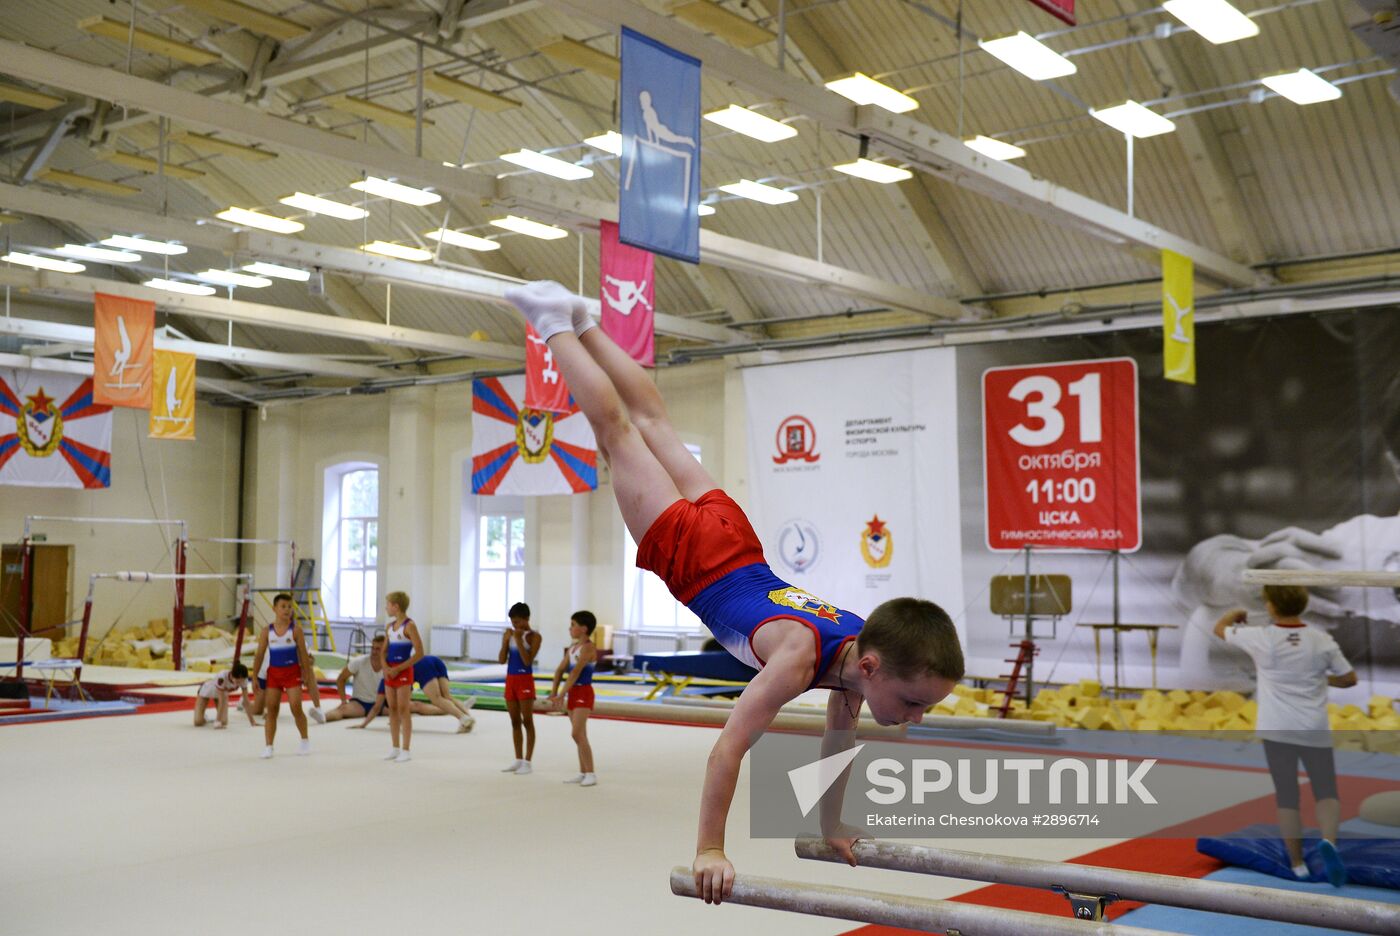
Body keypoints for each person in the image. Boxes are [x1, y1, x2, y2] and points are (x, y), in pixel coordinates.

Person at [505, 281, 963, 905]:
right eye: (913, 702)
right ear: (874, 667)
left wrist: (833, 826)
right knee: (616, 432)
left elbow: (838, 742)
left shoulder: (859, 649)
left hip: (737, 539)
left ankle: (586, 322)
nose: (914, 717)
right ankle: (554, 323)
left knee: (651, 423)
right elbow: (728, 748)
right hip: (698, 558)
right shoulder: (800, 659)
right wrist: (711, 848)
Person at [1214, 583, 1358, 886]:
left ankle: (1297, 864)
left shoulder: (1260, 638)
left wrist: (1235, 613)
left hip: (1277, 728)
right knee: (1326, 791)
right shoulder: (1321, 640)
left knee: (1287, 796)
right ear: (1303, 605)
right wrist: (1322, 678)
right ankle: (1329, 842)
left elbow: (1220, 629)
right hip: (1313, 726)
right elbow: (1349, 679)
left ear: (1271, 606)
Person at [252, 593, 314, 758]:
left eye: (289, 607)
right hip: (274, 674)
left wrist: (306, 674)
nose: (287, 610)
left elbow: (303, 654)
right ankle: (269, 746)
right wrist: (254, 677)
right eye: (283, 607)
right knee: (271, 709)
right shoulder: (267, 631)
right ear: (274, 609)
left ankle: (304, 740)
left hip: (292, 673)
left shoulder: (296, 631)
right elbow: (259, 655)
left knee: (296, 707)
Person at [352, 655, 476, 732]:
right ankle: (468, 717)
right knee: (446, 697)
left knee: (437, 699)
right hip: (432, 659)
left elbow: (377, 707)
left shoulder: (386, 682)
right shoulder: (393, 674)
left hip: (421, 667)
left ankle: (463, 718)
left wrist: (364, 724)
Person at [548, 610, 599, 787]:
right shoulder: (572, 649)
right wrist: (554, 692)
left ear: (584, 629)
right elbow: (559, 670)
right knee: (580, 735)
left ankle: (591, 773)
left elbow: (575, 673)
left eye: (573, 625)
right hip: (573, 693)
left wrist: (561, 694)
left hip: (584, 692)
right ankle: (583, 771)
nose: (570, 628)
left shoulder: (588, 648)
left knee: (577, 733)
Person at [499, 601, 541, 775]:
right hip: (511, 680)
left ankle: (528, 761)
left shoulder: (534, 636)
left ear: (527, 619)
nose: (514, 625)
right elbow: (501, 660)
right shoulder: (510, 635)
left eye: (517, 622)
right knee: (514, 721)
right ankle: (518, 759)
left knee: (527, 721)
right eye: (512, 622)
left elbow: (527, 661)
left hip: (525, 680)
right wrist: (505, 641)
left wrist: (517, 639)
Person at [382, 591, 424, 764]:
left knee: (403, 709)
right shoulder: (389, 627)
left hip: (404, 672)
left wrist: (399, 668)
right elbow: (383, 651)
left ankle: (406, 749)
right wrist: (385, 668)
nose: (386, 608)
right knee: (392, 708)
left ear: (396, 606)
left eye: (388, 605)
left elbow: (420, 653)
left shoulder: (409, 626)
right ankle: (395, 747)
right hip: (390, 672)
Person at [324, 635, 386, 722]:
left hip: (381, 704)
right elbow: (341, 679)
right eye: (373, 648)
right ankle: (323, 717)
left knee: (406, 707)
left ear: (386, 650)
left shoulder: (390, 666)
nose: (374, 651)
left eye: (378, 649)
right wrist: (343, 701)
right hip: (360, 703)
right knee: (341, 710)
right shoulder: (359, 662)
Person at [194, 661, 255, 729]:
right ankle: (203, 715)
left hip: (221, 695)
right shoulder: (222, 677)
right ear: (231, 675)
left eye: (241, 681)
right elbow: (221, 700)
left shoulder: (244, 680)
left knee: (224, 722)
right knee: (198, 722)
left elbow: (246, 701)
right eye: (237, 681)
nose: (239, 683)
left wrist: (252, 721)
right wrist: (217, 721)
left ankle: (215, 718)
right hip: (206, 692)